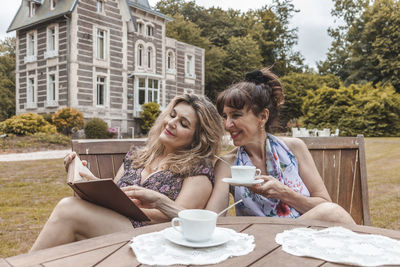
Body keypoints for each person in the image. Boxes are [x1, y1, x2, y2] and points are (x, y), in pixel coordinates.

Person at [126, 67, 356, 224]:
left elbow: (323, 204)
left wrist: (284, 193)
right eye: (225, 116)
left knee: (331, 211)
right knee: (332, 213)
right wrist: (163, 203)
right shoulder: (227, 163)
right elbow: (213, 219)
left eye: (235, 115)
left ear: (262, 116)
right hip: (265, 241)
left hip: (305, 231)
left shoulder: (294, 149)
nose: (228, 124)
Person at [30, 94, 224, 251]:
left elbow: (180, 219)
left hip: (154, 238)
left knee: (68, 209)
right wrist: (86, 177)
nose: (172, 123)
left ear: (197, 139)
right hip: (118, 227)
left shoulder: (198, 169)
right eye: (172, 115)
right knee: (70, 211)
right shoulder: (137, 155)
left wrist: (141, 207)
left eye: (184, 123)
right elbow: (116, 194)